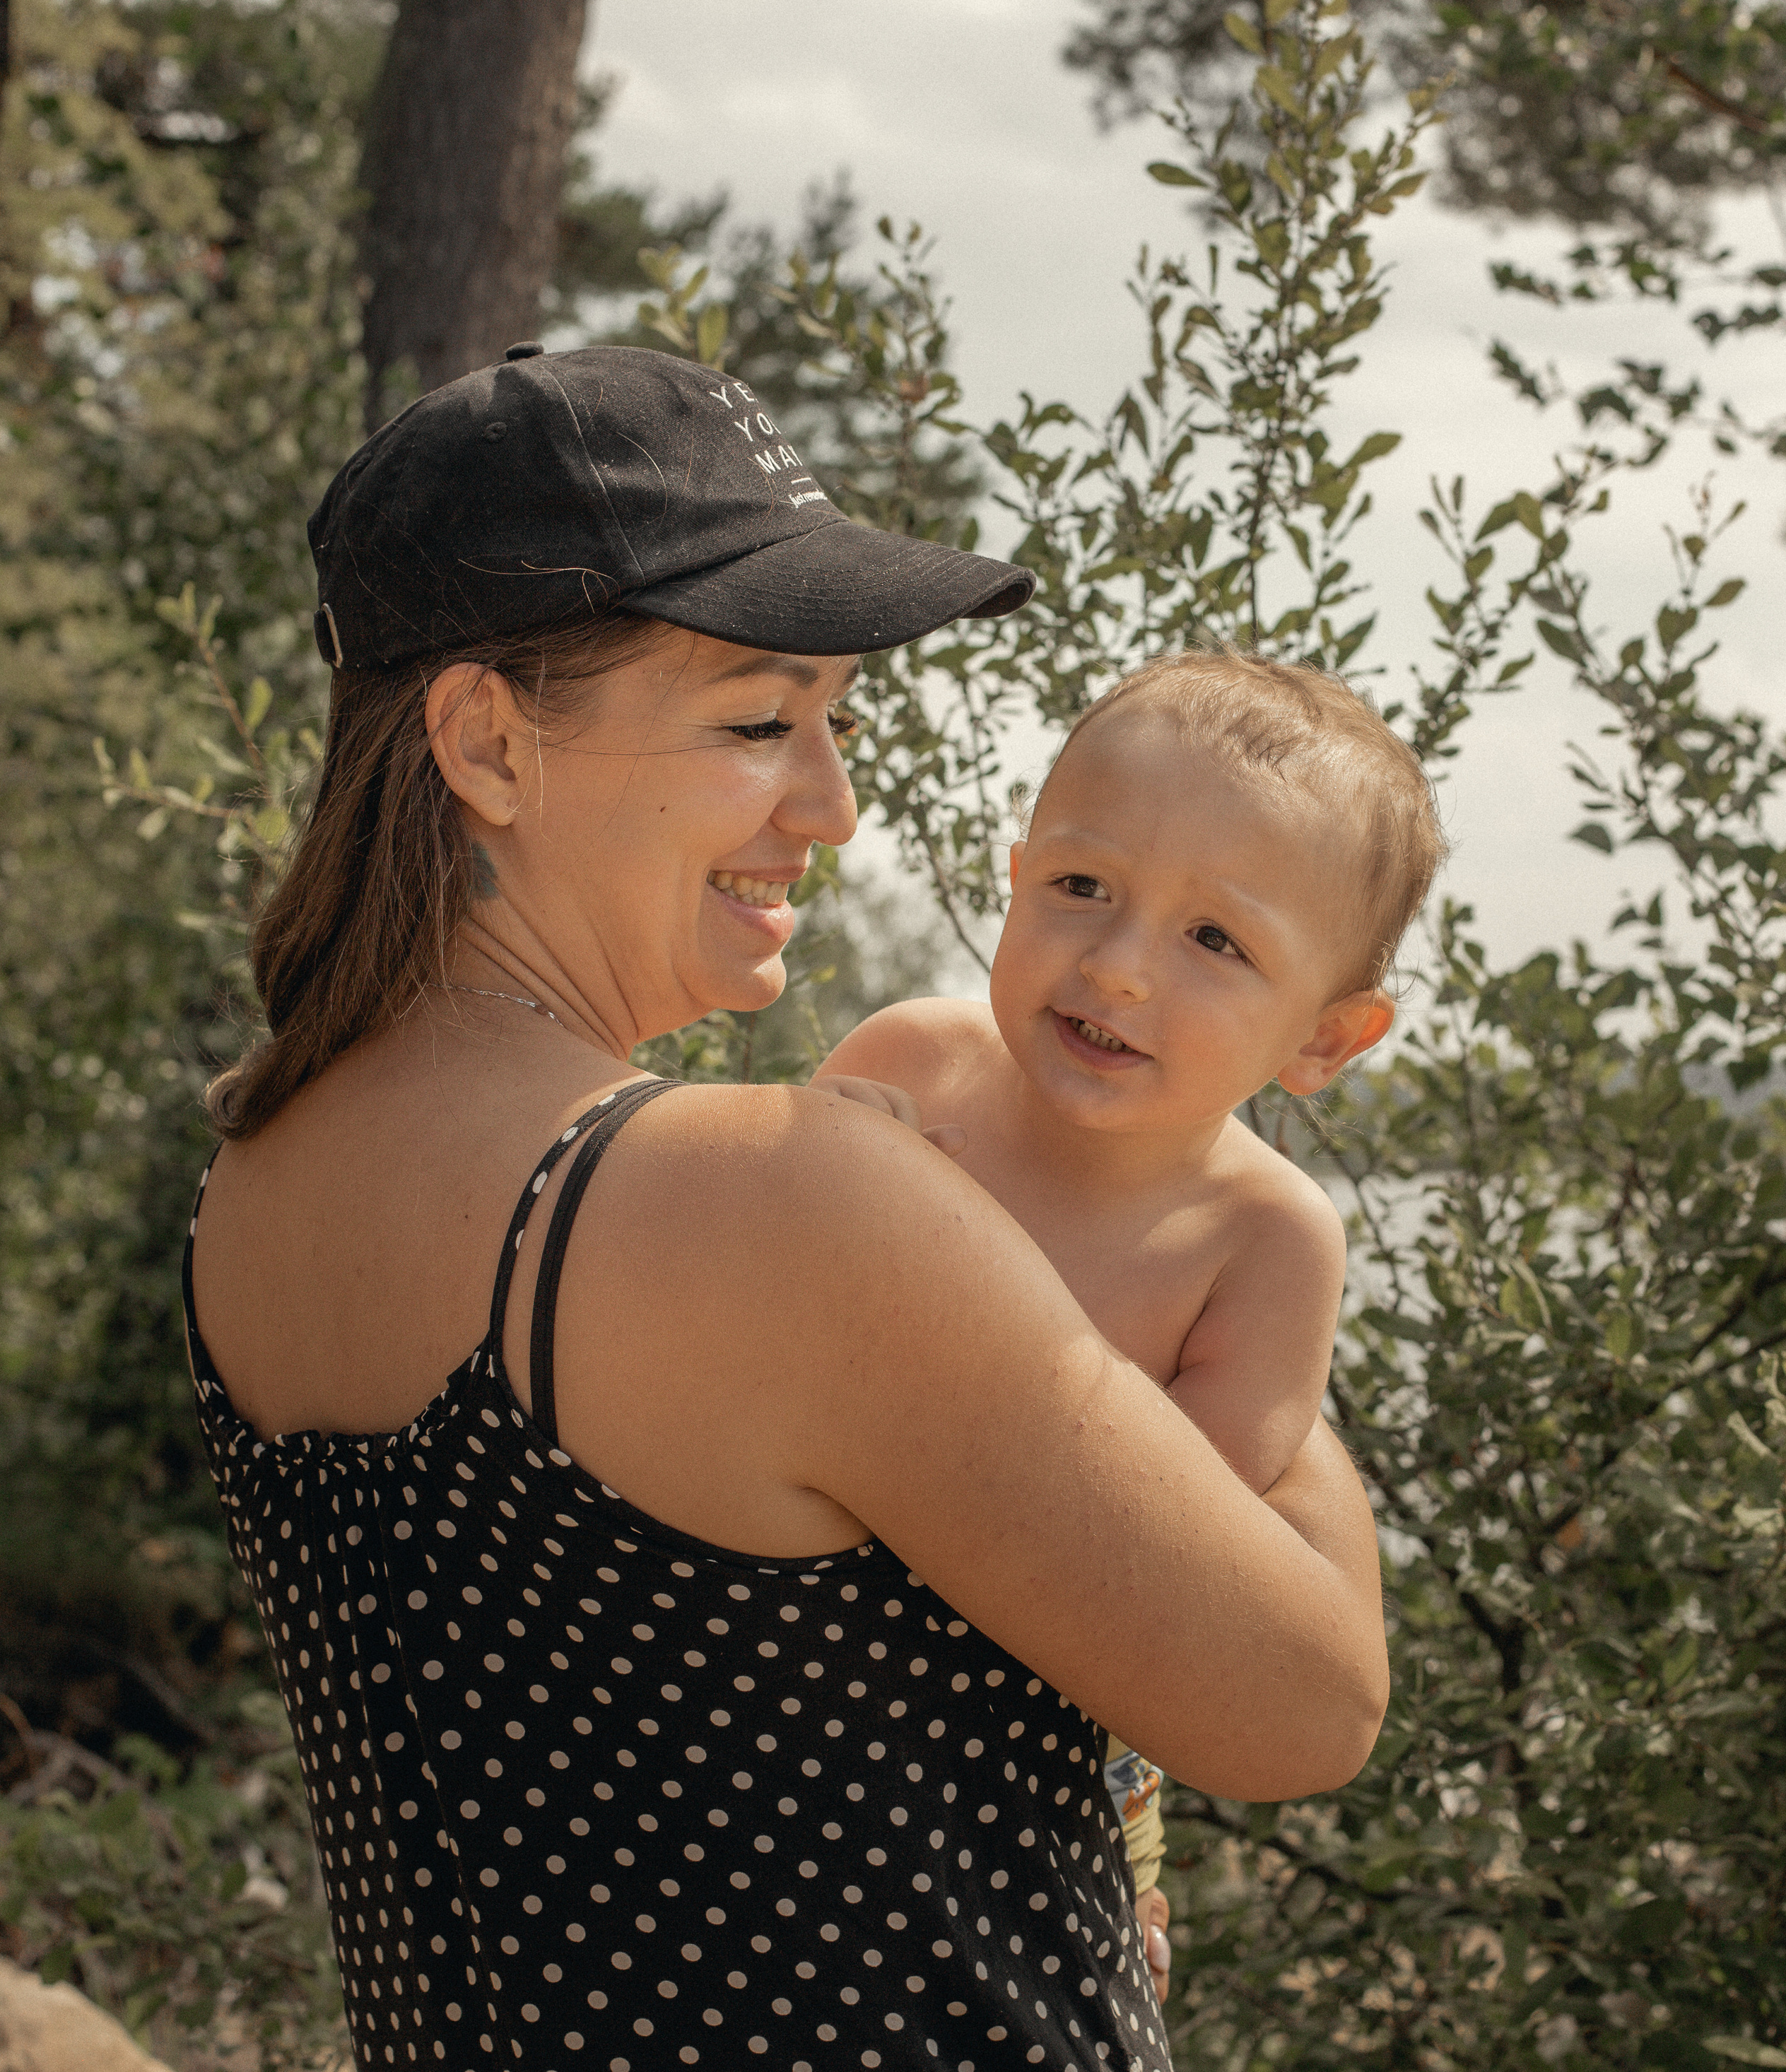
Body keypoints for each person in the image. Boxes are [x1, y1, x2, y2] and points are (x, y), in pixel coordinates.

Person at [182, 343, 1390, 2072]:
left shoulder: (251, 1179)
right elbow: (1305, 1705)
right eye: (759, 722)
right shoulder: (774, 1201)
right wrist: (1226, 1227)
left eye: (834, 721)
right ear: (485, 743)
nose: (834, 805)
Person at [813, 649, 1447, 1991]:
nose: (1119, 967)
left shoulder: (1263, 1242)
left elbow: (1175, 1556)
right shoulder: (908, 1064)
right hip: (791, 1688)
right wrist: (814, 1166)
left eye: (1216, 941)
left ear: (1327, 1039)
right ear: (1014, 876)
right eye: (1081, 887)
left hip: (1039, 1772)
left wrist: (932, 1280)